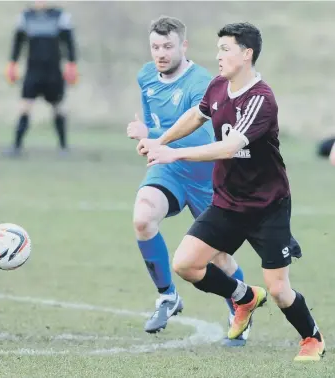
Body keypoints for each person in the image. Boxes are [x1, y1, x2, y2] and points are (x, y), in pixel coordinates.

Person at [139, 22, 325, 361]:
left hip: (267, 206)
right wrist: (159, 141)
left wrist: (175, 153)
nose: (218, 55)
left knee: (279, 290)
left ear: (247, 54)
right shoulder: (217, 86)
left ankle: (312, 338)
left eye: (225, 49)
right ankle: (243, 297)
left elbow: (228, 147)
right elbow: (195, 117)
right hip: (227, 202)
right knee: (186, 265)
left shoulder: (261, 99)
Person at [127, 16, 249, 345]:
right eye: (155, 47)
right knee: (142, 218)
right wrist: (147, 138)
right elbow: (156, 125)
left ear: (184, 46)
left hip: (207, 174)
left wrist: (154, 139)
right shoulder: (146, 77)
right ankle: (167, 296)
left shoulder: (203, 83)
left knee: (218, 257)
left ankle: (240, 308)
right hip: (169, 169)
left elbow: (199, 136)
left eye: (168, 46)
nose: (161, 53)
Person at [5, 0, 78, 156]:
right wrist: (13, 63)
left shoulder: (59, 16)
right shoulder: (26, 17)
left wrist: (72, 64)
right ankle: (16, 147)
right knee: (24, 107)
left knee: (58, 108)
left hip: (53, 72)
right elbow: (17, 42)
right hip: (33, 71)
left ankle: (63, 147)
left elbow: (69, 42)